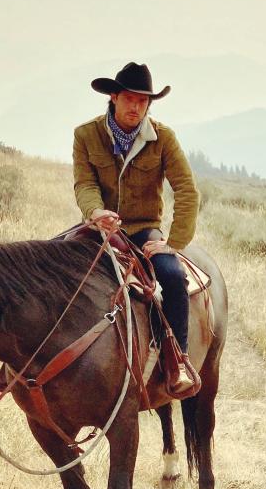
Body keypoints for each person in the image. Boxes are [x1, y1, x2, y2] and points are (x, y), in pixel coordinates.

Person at [73, 61, 199, 395]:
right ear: (113, 97)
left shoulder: (163, 138)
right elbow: (84, 184)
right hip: (100, 226)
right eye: (130, 98)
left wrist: (173, 242)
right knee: (52, 263)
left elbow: (187, 190)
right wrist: (95, 210)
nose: (136, 107)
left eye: (144, 101)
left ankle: (176, 360)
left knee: (172, 276)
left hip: (144, 228)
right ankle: (23, 359)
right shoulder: (86, 135)